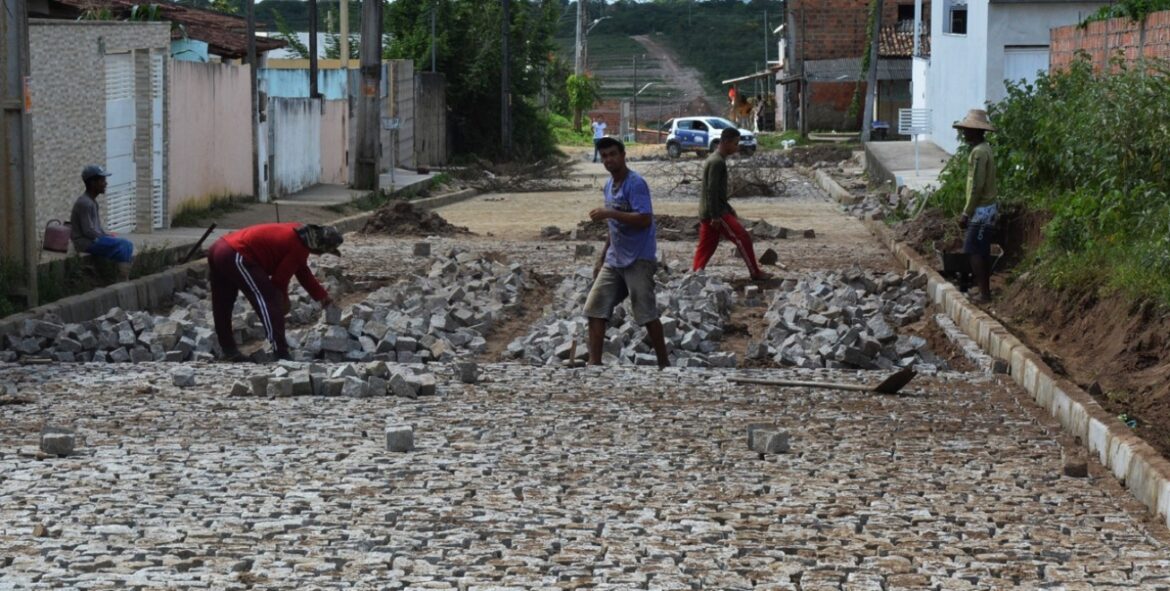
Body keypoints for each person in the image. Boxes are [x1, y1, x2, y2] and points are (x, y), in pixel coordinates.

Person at [583, 137, 670, 369]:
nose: (609, 160)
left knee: (646, 313)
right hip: (615, 259)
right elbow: (613, 229)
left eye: (613, 154)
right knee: (595, 308)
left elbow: (644, 219)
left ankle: (664, 364)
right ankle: (594, 364)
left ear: (623, 155)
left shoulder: (636, 183)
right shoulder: (608, 186)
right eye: (604, 156)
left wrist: (609, 213)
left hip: (639, 258)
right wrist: (602, 257)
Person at [207, 223, 341, 361]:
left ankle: (229, 350)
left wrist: (321, 295)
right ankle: (281, 353)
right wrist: (284, 300)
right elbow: (279, 281)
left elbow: (301, 270)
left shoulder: (299, 233)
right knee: (269, 299)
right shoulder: (299, 246)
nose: (320, 254)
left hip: (219, 247)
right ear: (320, 247)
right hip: (237, 253)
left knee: (222, 302)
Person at [692, 128, 772, 281]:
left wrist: (728, 209)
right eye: (735, 143)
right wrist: (716, 215)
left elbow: (715, 192)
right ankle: (755, 272)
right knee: (743, 238)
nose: (737, 147)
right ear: (726, 142)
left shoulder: (714, 159)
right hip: (715, 212)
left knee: (707, 246)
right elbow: (712, 191)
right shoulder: (717, 162)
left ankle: (695, 274)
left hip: (708, 211)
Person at [954, 109, 998, 303]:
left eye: (967, 130)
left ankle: (984, 294)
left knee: (973, 250)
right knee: (981, 250)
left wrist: (966, 212)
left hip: (982, 209)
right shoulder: (985, 148)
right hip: (987, 207)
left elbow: (976, 186)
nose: (964, 133)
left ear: (976, 131)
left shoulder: (979, 152)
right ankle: (984, 290)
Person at [70, 164, 135, 281]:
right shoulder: (85, 203)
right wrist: (103, 238)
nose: (106, 184)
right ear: (92, 183)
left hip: (93, 240)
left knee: (128, 244)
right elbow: (88, 231)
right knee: (123, 245)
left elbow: (97, 228)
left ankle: (122, 276)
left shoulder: (92, 202)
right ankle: (122, 278)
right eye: (102, 180)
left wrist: (106, 236)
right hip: (85, 242)